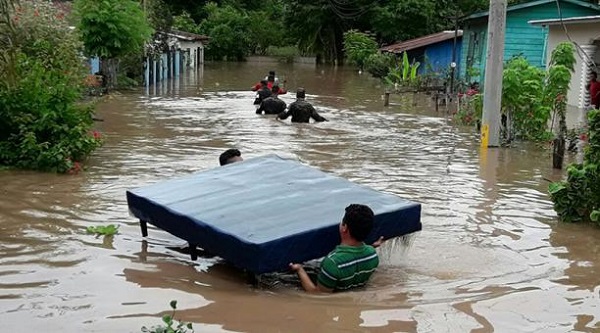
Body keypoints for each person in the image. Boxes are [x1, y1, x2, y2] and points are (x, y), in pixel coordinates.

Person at [289, 204, 384, 293]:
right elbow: (360, 256)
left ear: (344, 228)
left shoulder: (333, 262)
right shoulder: (372, 255)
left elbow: (317, 294)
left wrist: (299, 270)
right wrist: (372, 246)